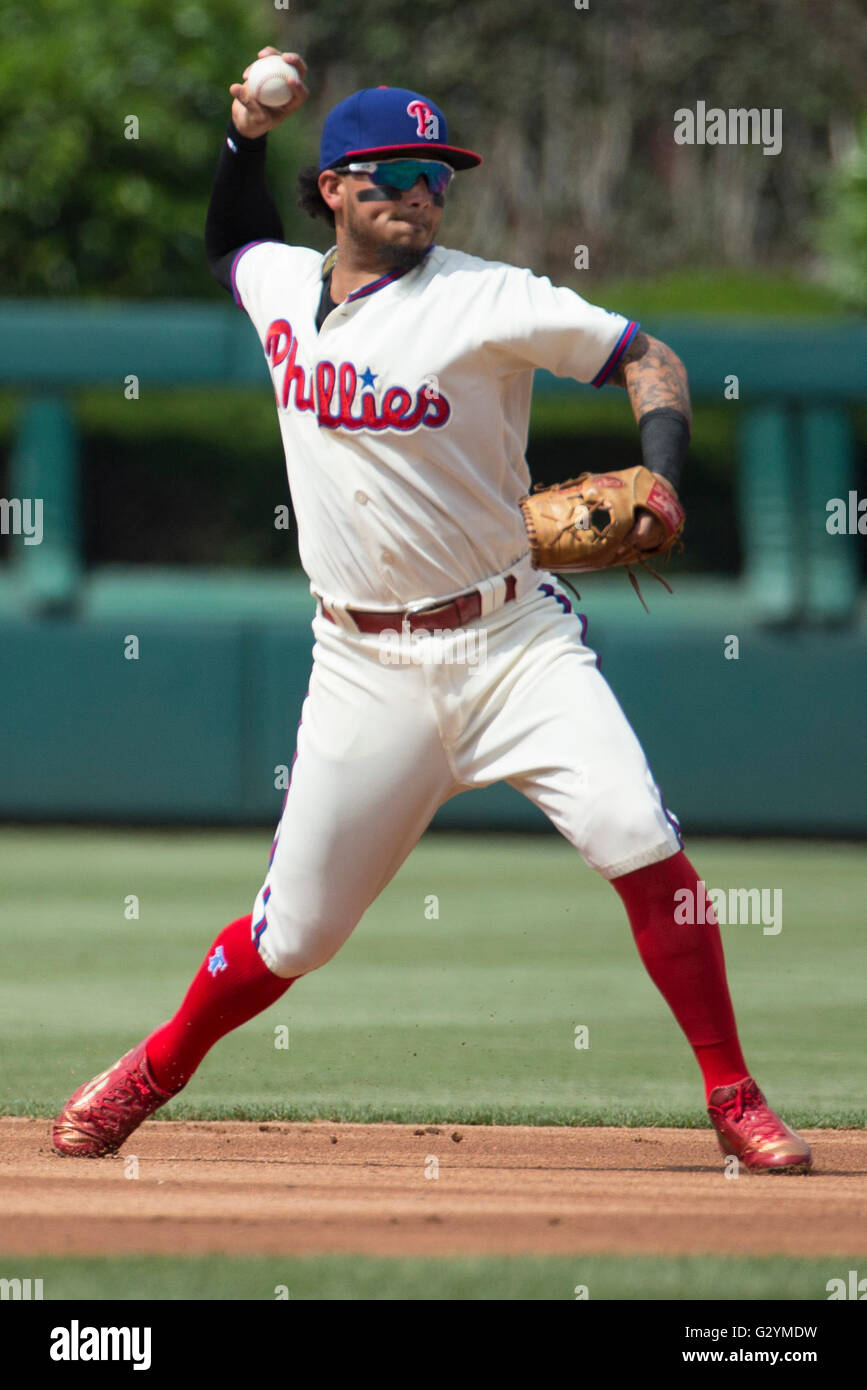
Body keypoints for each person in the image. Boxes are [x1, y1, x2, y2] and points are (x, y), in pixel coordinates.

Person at [53, 48, 811, 1175]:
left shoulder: (489, 299)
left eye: (438, 174)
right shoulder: (280, 290)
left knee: (640, 840)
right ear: (335, 190)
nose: (421, 191)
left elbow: (650, 355)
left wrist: (662, 470)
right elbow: (226, 241)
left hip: (514, 641)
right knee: (296, 934)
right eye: (395, 170)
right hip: (363, 667)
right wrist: (243, 136)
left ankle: (736, 1095)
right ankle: (150, 1070)